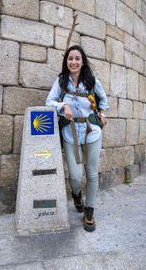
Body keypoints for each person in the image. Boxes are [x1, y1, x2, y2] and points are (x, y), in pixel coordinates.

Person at [46, 45, 109, 232]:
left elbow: (103, 101)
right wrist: (63, 106)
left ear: (83, 62)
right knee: (74, 175)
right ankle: (76, 194)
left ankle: (89, 210)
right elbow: (49, 101)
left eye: (77, 58)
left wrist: (102, 113)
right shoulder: (61, 81)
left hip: (92, 132)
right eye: (70, 58)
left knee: (91, 173)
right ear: (66, 61)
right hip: (70, 133)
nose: (74, 62)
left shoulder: (92, 81)